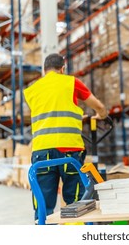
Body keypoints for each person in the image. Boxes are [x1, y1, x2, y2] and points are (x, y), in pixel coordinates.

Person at [24, 53, 108, 220]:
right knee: (75, 205)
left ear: (44, 70)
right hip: (69, 151)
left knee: (43, 207)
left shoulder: (32, 90)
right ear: (62, 69)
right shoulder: (71, 82)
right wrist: (102, 114)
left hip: (41, 153)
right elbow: (97, 105)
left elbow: (50, 112)